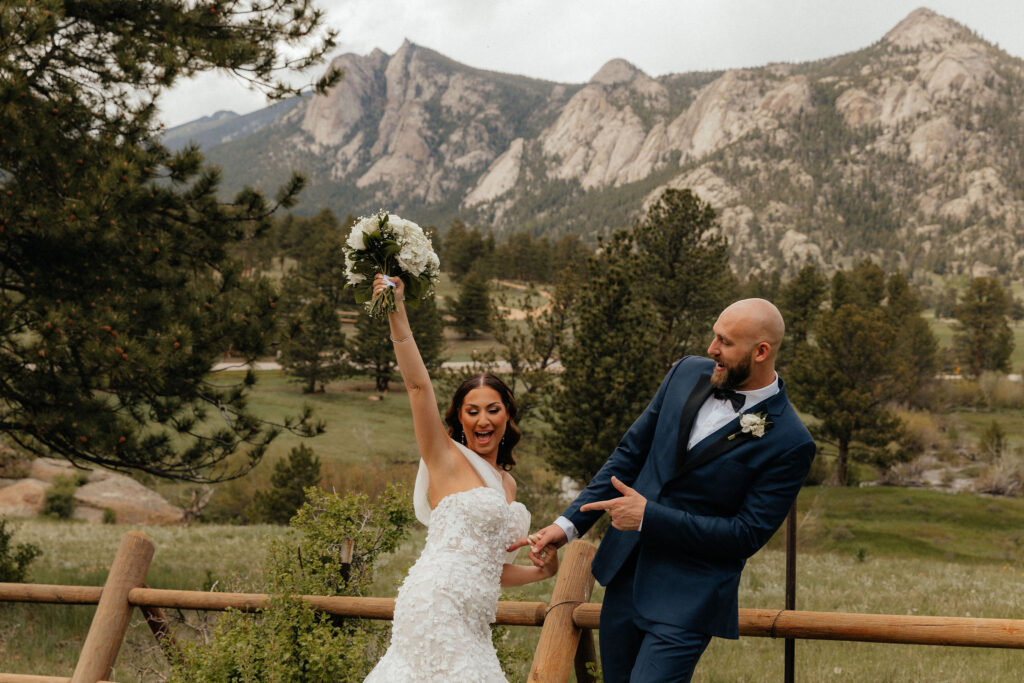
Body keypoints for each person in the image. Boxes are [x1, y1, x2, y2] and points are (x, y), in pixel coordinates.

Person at [516, 298, 815, 682]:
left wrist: (649, 517)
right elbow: (628, 455)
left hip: (688, 598)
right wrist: (568, 525)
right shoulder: (686, 373)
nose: (712, 349)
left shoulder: (791, 440)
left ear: (761, 351)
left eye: (725, 342)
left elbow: (745, 535)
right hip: (625, 576)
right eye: (713, 336)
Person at [364, 274, 558, 683]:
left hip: (473, 624)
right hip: (435, 604)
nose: (483, 420)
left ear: (507, 415)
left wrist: (543, 572)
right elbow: (418, 387)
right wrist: (396, 311)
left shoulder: (508, 486)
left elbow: (493, 570)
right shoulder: (444, 457)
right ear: (460, 418)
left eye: (492, 409)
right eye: (472, 411)